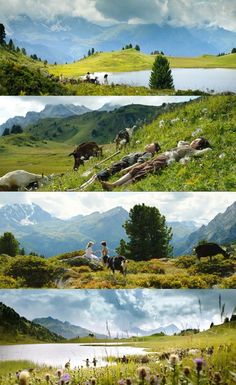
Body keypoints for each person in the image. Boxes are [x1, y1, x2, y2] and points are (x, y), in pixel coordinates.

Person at [101, 137, 212, 190]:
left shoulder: (192, 151)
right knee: (137, 168)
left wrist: (202, 146)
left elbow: (207, 151)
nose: (193, 141)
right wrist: (188, 144)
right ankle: (114, 184)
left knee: (144, 171)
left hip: (166, 160)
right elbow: (180, 142)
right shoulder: (185, 146)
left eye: (196, 141)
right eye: (195, 139)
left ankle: (119, 187)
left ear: (199, 146)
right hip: (162, 155)